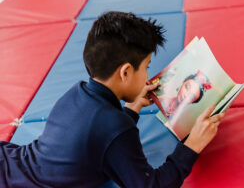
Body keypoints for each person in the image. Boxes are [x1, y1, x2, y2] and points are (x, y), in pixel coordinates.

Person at [0, 11, 225, 188]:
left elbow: (98, 138)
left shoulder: (76, 93)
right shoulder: (116, 127)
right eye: (146, 68)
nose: (147, 76)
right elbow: (150, 184)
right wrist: (192, 146)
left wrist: (133, 107)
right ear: (125, 72)